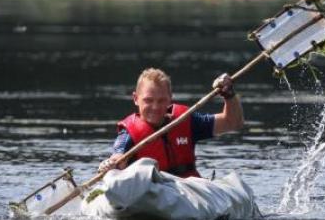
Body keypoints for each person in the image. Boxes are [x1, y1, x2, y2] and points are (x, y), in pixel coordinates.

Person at [98, 67, 242, 178]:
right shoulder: (128, 133)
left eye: (161, 100)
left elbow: (232, 122)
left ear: (170, 98)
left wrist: (228, 94)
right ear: (136, 98)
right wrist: (110, 164)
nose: (155, 107)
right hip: (150, 192)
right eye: (148, 100)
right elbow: (118, 156)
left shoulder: (187, 120)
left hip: (188, 191)